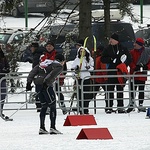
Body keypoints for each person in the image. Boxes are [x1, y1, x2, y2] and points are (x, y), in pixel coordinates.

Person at [26, 55, 63, 134]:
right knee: (52, 105)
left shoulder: (42, 64)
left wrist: (28, 83)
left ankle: (42, 127)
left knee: (44, 106)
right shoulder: (58, 66)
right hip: (46, 86)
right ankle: (53, 127)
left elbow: (32, 72)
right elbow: (52, 74)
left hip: (38, 85)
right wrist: (46, 82)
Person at [101, 33, 132, 114]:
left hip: (120, 72)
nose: (110, 41)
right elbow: (102, 59)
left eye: (112, 39)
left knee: (120, 90)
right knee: (109, 90)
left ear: (116, 40)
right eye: (110, 39)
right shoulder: (107, 48)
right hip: (111, 71)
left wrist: (124, 64)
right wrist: (111, 59)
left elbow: (129, 58)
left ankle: (120, 106)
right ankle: (109, 107)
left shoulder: (123, 48)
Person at [126, 38, 150, 113]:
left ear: (140, 45)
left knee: (141, 90)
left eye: (135, 43)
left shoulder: (147, 52)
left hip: (142, 74)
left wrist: (146, 67)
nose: (134, 45)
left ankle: (140, 104)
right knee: (132, 90)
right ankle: (132, 104)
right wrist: (134, 67)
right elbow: (130, 61)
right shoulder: (132, 52)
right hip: (134, 73)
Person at [71, 46, 94, 114]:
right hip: (79, 79)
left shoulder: (89, 59)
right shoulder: (77, 60)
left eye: (83, 51)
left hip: (86, 79)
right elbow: (73, 69)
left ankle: (85, 109)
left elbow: (92, 68)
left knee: (86, 95)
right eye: (81, 51)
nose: (82, 53)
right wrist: (75, 72)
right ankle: (80, 108)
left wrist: (88, 67)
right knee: (79, 94)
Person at [91, 45, 108, 111]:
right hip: (101, 79)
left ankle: (83, 105)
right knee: (108, 92)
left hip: (96, 78)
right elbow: (103, 69)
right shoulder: (100, 58)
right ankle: (108, 106)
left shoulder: (95, 58)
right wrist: (106, 78)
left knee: (92, 93)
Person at [30, 42, 45, 112]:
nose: (31, 49)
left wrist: (33, 75)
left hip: (39, 76)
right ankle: (40, 105)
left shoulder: (37, 55)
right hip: (40, 76)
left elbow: (35, 67)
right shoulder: (38, 54)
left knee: (39, 91)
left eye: (32, 47)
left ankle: (39, 105)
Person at [0, 47, 10, 119]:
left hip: (2, 78)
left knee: (3, 95)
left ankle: (0, 111)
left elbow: (7, 66)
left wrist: (6, 70)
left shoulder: (3, 56)